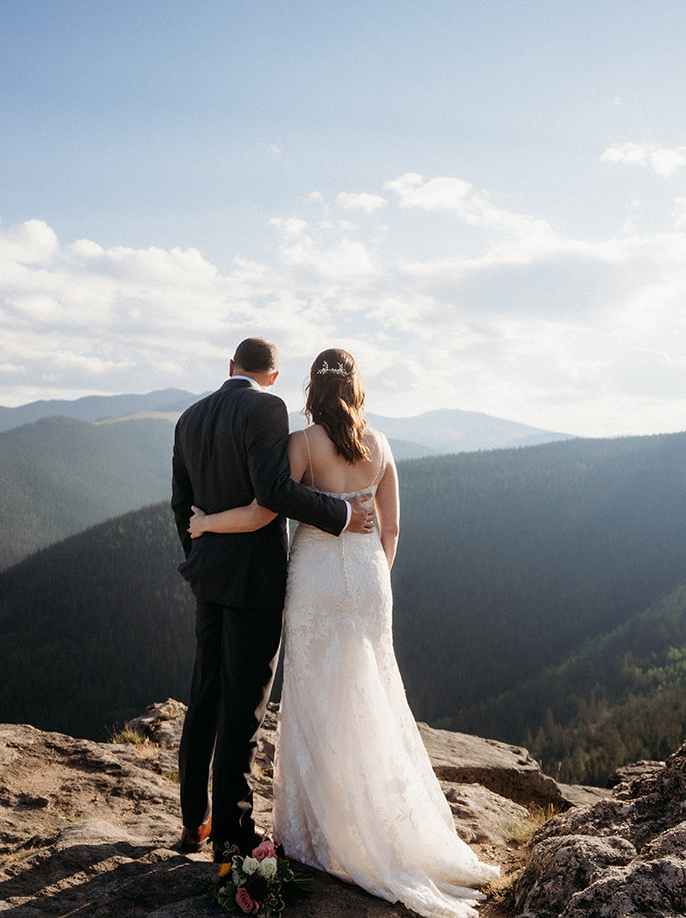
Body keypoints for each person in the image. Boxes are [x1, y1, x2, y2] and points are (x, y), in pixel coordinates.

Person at [189, 348, 499, 918]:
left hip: (316, 577)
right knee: (369, 692)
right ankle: (383, 818)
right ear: (357, 389)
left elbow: (266, 510)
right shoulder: (380, 445)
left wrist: (207, 522)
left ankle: (321, 825)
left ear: (311, 389)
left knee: (315, 695)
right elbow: (393, 527)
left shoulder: (303, 443)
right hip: (367, 575)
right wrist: (372, 576)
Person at [170, 337, 378, 857]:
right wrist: (344, 516)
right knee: (244, 708)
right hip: (255, 584)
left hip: (209, 580)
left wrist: (199, 561)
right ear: (275, 375)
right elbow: (273, 492)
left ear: (231, 366)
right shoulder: (267, 407)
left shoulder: (190, 417)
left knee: (205, 696)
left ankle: (194, 821)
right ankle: (233, 837)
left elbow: (181, 505)